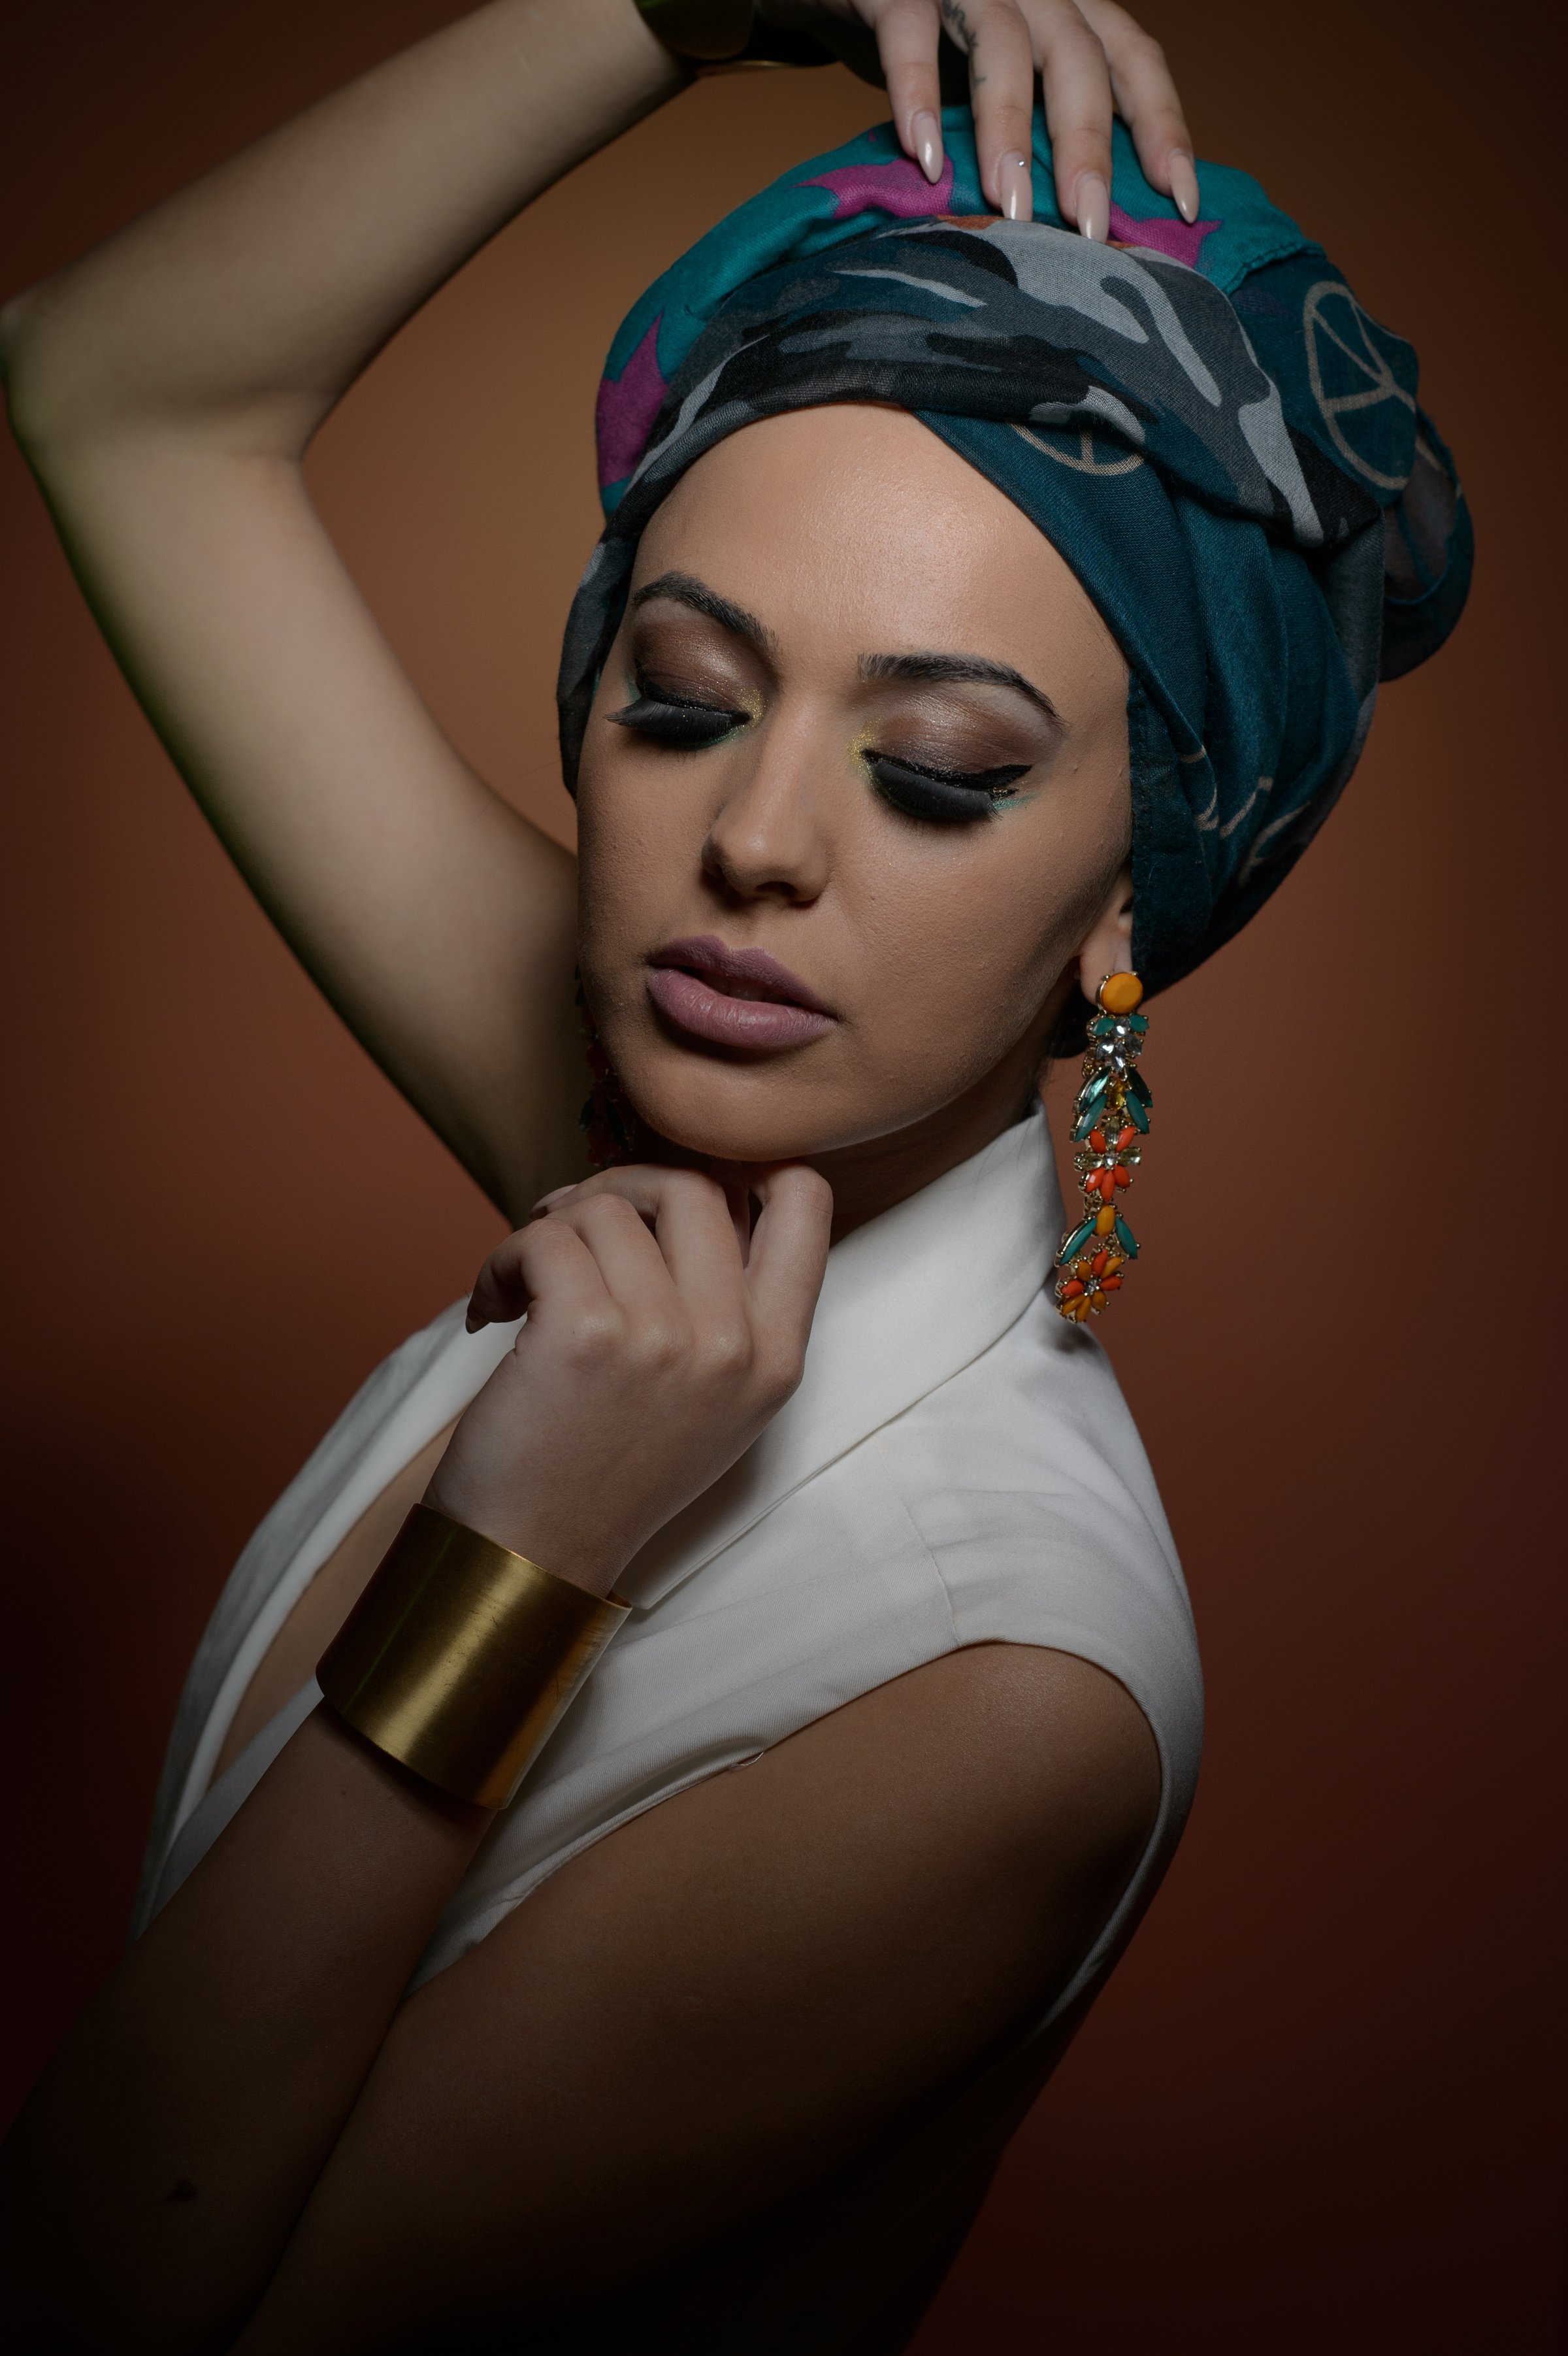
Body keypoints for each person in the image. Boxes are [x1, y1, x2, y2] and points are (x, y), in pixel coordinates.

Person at [0, 2, 1469, 2348]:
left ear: (1138, 884)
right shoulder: (668, 1155)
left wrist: (520, 1562)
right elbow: (117, 388)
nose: (754, 848)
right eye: (681, 699)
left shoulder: (1008, 1692)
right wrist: (675, 9)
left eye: (945, 771)